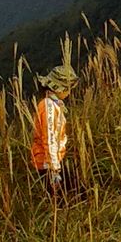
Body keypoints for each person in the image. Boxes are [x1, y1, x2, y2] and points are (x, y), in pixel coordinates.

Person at [31, 64, 77, 196]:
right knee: (66, 197)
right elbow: (50, 139)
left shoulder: (53, 104)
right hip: (48, 164)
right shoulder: (48, 107)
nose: (69, 92)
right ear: (58, 88)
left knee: (71, 192)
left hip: (53, 160)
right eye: (68, 88)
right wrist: (55, 170)